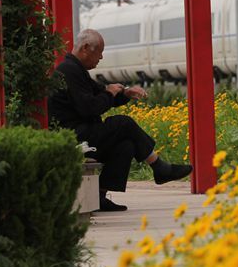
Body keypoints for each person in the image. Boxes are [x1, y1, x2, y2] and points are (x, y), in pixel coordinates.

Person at [48, 29, 192, 212]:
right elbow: (90, 107)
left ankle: (100, 196)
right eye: (99, 52)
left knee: (125, 145)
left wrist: (124, 94)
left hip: (83, 132)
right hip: (74, 135)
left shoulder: (76, 70)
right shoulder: (69, 71)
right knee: (124, 123)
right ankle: (159, 167)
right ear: (85, 48)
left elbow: (101, 94)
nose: (101, 57)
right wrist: (109, 93)